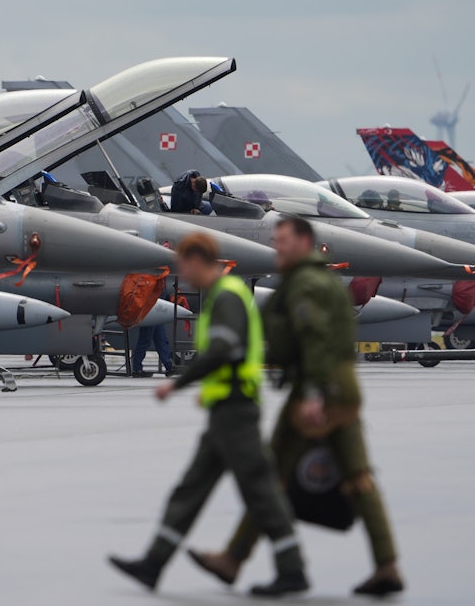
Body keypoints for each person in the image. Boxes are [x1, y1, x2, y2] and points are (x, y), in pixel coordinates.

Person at [187, 215, 404, 597]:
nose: (277, 247)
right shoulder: (323, 280)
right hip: (342, 388)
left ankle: (239, 559)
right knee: (357, 478)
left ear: (304, 242)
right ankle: (387, 566)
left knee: (273, 476)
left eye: (283, 240)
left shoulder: (304, 284)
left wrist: (313, 394)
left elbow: (314, 336)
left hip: (316, 389)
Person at [108, 232, 309, 597]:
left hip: (236, 411)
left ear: (199, 261)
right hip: (225, 409)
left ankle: (292, 569)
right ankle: (153, 563)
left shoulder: (226, 297)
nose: (182, 273)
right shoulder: (223, 295)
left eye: (184, 265)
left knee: (259, 491)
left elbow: (222, 349)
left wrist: (178, 384)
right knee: (192, 488)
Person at [131, 291, 174, 378]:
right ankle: (137, 368)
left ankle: (169, 367)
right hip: (150, 311)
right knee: (146, 340)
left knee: (161, 340)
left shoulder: (160, 280)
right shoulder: (155, 279)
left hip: (156, 311)